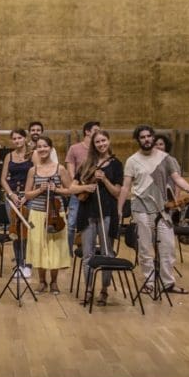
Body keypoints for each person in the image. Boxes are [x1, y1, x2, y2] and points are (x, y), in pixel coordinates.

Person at [118, 125, 189, 295]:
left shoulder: (166, 158)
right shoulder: (132, 160)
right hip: (141, 207)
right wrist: (119, 209)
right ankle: (149, 282)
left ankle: (167, 283)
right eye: (142, 137)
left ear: (153, 137)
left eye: (148, 136)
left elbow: (177, 179)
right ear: (138, 140)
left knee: (168, 246)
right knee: (145, 247)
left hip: (162, 208)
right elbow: (126, 186)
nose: (146, 139)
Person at [72, 130, 123, 306]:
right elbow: (73, 187)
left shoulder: (116, 164)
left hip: (107, 212)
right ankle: (89, 289)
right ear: (93, 145)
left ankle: (104, 290)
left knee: (107, 253)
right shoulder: (86, 164)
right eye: (97, 142)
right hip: (87, 212)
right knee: (88, 254)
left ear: (109, 141)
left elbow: (117, 192)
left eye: (103, 140)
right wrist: (85, 187)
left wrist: (105, 179)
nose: (101, 144)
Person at [22, 136, 74, 293]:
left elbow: (70, 190)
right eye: (39, 146)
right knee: (39, 246)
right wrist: (40, 189)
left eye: (45, 146)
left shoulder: (60, 169)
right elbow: (27, 194)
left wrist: (56, 189)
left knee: (55, 247)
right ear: (36, 150)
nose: (42, 149)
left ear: (51, 148)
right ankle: (42, 281)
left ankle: (54, 282)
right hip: (37, 213)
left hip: (56, 214)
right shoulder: (33, 170)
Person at [63, 121, 99, 258]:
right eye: (96, 130)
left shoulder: (98, 148)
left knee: (92, 223)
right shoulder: (75, 148)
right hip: (78, 190)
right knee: (71, 223)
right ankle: (67, 253)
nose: (98, 132)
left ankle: (89, 251)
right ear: (87, 132)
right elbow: (70, 169)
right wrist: (78, 186)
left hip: (93, 192)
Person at [0, 129, 34, 276]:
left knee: (28, 230)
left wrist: (26, 196)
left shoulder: (33, 155)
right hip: (13, 196)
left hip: (29, 197)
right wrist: (11, 194)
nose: (17, 141)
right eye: (14, 138)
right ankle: (19, 264)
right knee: (15, 230)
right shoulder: (9, 156)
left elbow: (36, 176)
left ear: (25, 138)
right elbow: (3, 179)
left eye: (19, 138)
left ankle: (28, 263)